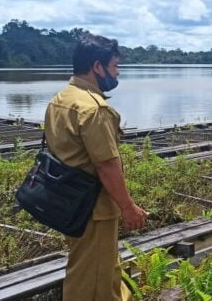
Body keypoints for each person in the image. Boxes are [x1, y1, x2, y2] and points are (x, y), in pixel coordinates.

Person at [45, 33, 147, 300]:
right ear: (97, 67)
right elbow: (106, 165)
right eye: (114, 66)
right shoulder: (94, 109)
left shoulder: (62, 98)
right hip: (94, 208)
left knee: (88, 269)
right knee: (95, 282)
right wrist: (128, 207)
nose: (117, 73)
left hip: (68, 202)